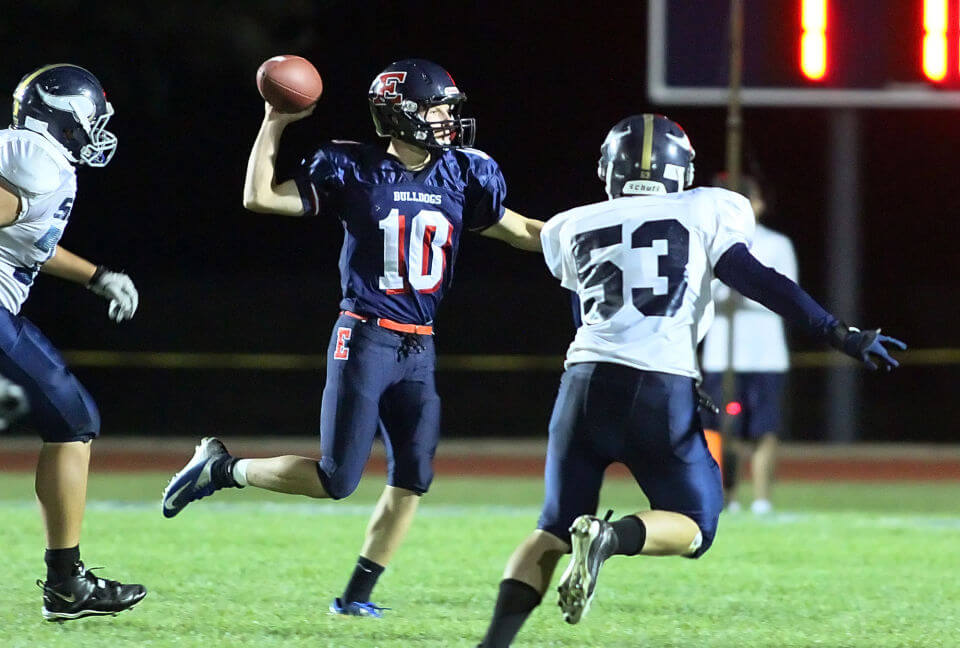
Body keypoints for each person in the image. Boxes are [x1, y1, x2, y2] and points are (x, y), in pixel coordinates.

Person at [476, 113, 904, 647]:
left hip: (582, 385)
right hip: (659, 386)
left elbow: (583, 310)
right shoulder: (708, 207)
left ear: (610, 169)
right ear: (683, 168)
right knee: (696, 524)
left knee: (552, 529)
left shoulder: (574, 223)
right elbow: (756, 279)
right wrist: (839, 332)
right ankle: (610, 537)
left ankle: (492, 644)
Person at [161, 58, 543, 617]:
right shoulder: (352, 168)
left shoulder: (464, 173)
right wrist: (275, 121)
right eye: (437, 109)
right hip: (366, 338)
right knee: (337, 478)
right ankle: (223, 468)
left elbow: (522, 232)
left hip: (420, 345)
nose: (447, 120)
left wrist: (592, 238)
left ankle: (355, 599)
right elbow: (260, 198)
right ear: (400, 115)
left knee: (414, 476)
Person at [0, 64, 145, 621]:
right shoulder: (36, 157)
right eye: (93, 117)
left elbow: (27, 241)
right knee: (72, 417)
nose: (98, 129)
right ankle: (66, 584)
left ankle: (67, 583)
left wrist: (95, 275)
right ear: (66, 115)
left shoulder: (41, 162)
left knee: (71, 419)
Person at [700, 174, 797, 514]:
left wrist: (744, 293)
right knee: (723, 429)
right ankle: (726, 497)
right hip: (720, 355)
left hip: (765, 354)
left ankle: (761, 500)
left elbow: (787, 293)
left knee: (765, 428)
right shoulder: (708, 243)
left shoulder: (776, 244)